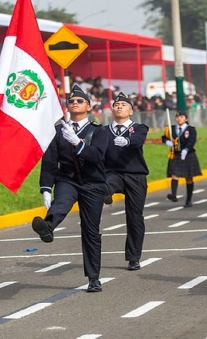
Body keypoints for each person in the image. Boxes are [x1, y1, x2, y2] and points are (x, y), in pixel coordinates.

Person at [31, 85, 108, 292]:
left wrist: (78, 144)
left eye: (80, 101)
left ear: (89, 106)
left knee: (91, 231)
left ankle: (93, 278)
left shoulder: (99, 131)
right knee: (61, 202)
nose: (75, 103)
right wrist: (46, 188)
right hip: (68, 179)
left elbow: (98, 156)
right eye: (71, 101)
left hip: (92, 182)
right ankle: (48, 226)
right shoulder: (57, 132)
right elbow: (50, 161)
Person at [102, 92, 149, 271]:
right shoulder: (104, 131)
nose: (119, 107)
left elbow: (138, 140)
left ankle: (134, 257)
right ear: (112, 110)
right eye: (116, 105)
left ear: (131, 111)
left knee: (135, 216)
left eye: (123, 105)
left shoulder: (139, 128)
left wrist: (127, 141)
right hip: (114, 172)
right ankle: (106, 193)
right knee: (106, 184)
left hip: (135, 175)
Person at [161, 110, 202, 207]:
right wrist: (167, 142)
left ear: (186, 119)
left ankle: (188, 200)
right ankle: (174, 195)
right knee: (174, 174)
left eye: (182, 117)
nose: (179, 119)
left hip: (188, 154)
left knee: (189, 178)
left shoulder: (191, 129)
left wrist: (186, 149)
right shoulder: (171, 129)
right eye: (177, 117)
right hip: (176, 154)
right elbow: (164, 137)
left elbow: (191, 141)